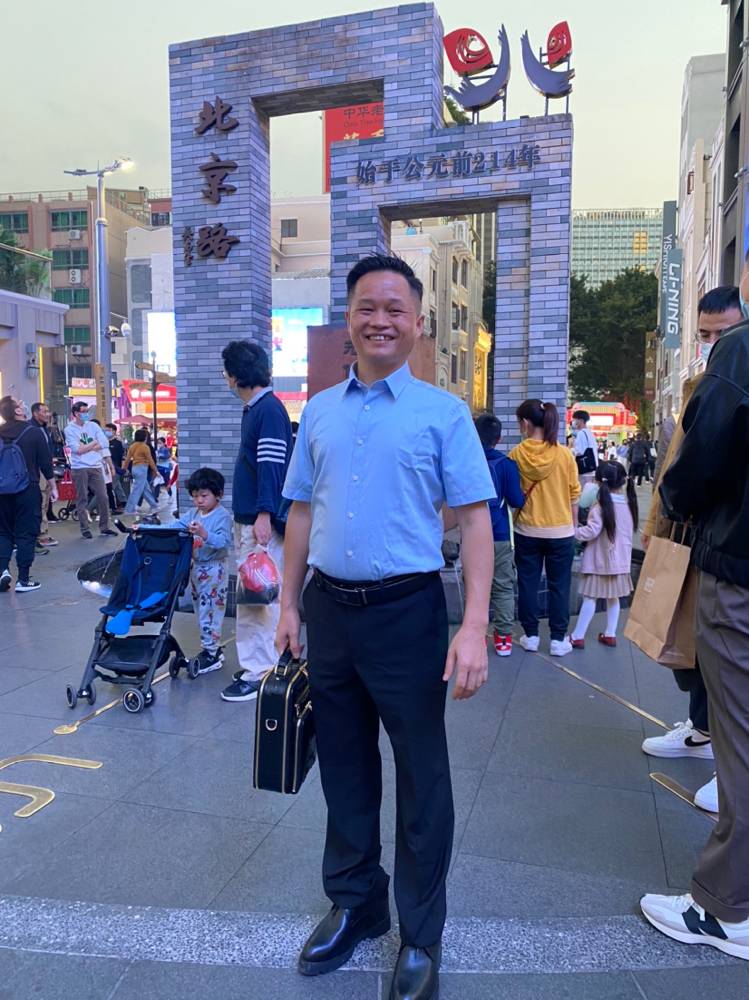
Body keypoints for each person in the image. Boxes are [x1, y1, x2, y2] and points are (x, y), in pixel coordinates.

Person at [277, 255, 494, 1000]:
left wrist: (473, 625)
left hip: (408, 613)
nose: (380, 320)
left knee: (421, 775)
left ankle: (421, 935)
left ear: (417, 323)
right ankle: (357, 903)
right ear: (348, 318)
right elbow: (300, 511)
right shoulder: (320, 412)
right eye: (366, 307)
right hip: (329, 612)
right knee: (343, 765)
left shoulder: (442, 414)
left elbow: (475, 521)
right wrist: (287, 603)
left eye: (394, 309)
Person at [640, 271, 749, 960]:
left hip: (738, 568)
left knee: (741, 746)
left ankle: (724, 908)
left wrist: (676, 505)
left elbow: (696, 462)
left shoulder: (739, 355)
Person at [220, 340, 293, 703]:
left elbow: (271, 466)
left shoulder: (267, 410)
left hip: (258, 521)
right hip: (251, 517)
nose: (225, 378)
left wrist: (264, 514)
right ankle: (263, 662)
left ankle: (259, 671)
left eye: (226, 372)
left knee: (256, 599)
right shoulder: (260, 408)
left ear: (236, 375)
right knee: (258, 596)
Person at [509, 400, 580, 656]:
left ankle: (530, 636)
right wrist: (574, 527)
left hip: (527, 530)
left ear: (526, 423)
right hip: (561, 531)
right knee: (560, 585)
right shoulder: (564, 454)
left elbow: (513, 495)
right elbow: (574, 494)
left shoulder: (516, 454)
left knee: (527, 583)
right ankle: (558, 640)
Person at [570, 461, 637, 648]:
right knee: (613, 598)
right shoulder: (628, 505)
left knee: (590, 597)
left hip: (599, 562)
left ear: (599, 482)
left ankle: (577, 636)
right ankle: (610, 634)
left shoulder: (600, 506)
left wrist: (573, 531)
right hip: (621, 562)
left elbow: (591, 531)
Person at [173, 467, 232, 674]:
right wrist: (147, 529)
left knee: (211, 611)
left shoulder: (222, 516)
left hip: (215, 569)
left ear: (218, 494)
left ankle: (211, 653)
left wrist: (204, 533)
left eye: (204, 496)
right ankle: (212, 648)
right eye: (195, 495)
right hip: (196, 569)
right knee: (201, 610)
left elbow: (224, 542)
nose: (199, 500)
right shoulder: (193, 513)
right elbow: (175, 526)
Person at [475, 412, 525, 656]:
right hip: (500, 534)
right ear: (498, 439)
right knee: (503, 586)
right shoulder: (507, 465)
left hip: (472, 537)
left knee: (476, 586)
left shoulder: (466, 462)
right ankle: (503, 638)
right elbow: (516, 500)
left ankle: (476, 636)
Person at [0, 396, 58, 592]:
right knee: (26, 534)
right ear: (17, 411)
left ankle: (3, 571)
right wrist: (53, 487)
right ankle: (23, 580)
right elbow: (45, 463)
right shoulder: (33, 432)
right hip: (28, 489)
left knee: (3, 532)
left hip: (2, 491)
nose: (23, 405)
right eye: (19, 403)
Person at [64, 401, 117, 539]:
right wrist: (94, 443)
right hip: (79, 467)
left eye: (87, 411)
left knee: (103, 496)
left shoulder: (93, 425)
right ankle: (85, 528)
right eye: (83, 411)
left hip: (96, 465)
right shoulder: (69, 429)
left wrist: (86, 447)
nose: (86, 414)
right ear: (76, 413)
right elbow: (77, 450)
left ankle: (105, 527)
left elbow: (105, 442)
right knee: (82, 498)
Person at [30, 402, 58, 548]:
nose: (48, 414)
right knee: (40, 502)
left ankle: (42, 532)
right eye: (44, 411)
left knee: (46, 501)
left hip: (47, 468)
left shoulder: (45, 429)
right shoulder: (31, 429)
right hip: (37, 469)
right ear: (35, 413)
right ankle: (41, 534)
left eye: (48, 411)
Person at [123, 428, 160, 519]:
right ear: (144, 437)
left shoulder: (132, 446)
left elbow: (127, 459)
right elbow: (150, 460)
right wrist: (155, 470)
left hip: (134, 468)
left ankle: (154, 505)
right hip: (142, 468)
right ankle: (129, 509)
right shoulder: (145, 447)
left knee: (145, 488)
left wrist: (124, 469)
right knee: (137, 490)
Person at [570, 409, 598, 487]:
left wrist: (570, 449)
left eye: (574, 420)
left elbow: (579, 451)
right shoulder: (589, 432)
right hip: (592, 467)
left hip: (585, 469)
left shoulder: (581, 433)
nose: (573, 422)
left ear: (581, 421)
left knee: (583, 490)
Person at [105, 423, 128, 508]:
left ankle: (112, 504)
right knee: (117, 486)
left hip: (116, 468)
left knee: (111, 487)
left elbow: (123, 456)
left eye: (109, 430)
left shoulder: (118, 443)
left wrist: (123, 468)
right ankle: (123, 501)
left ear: (114, 431)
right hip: (106, 468)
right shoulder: (104, 443)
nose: (106, 432)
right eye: (105, 430)